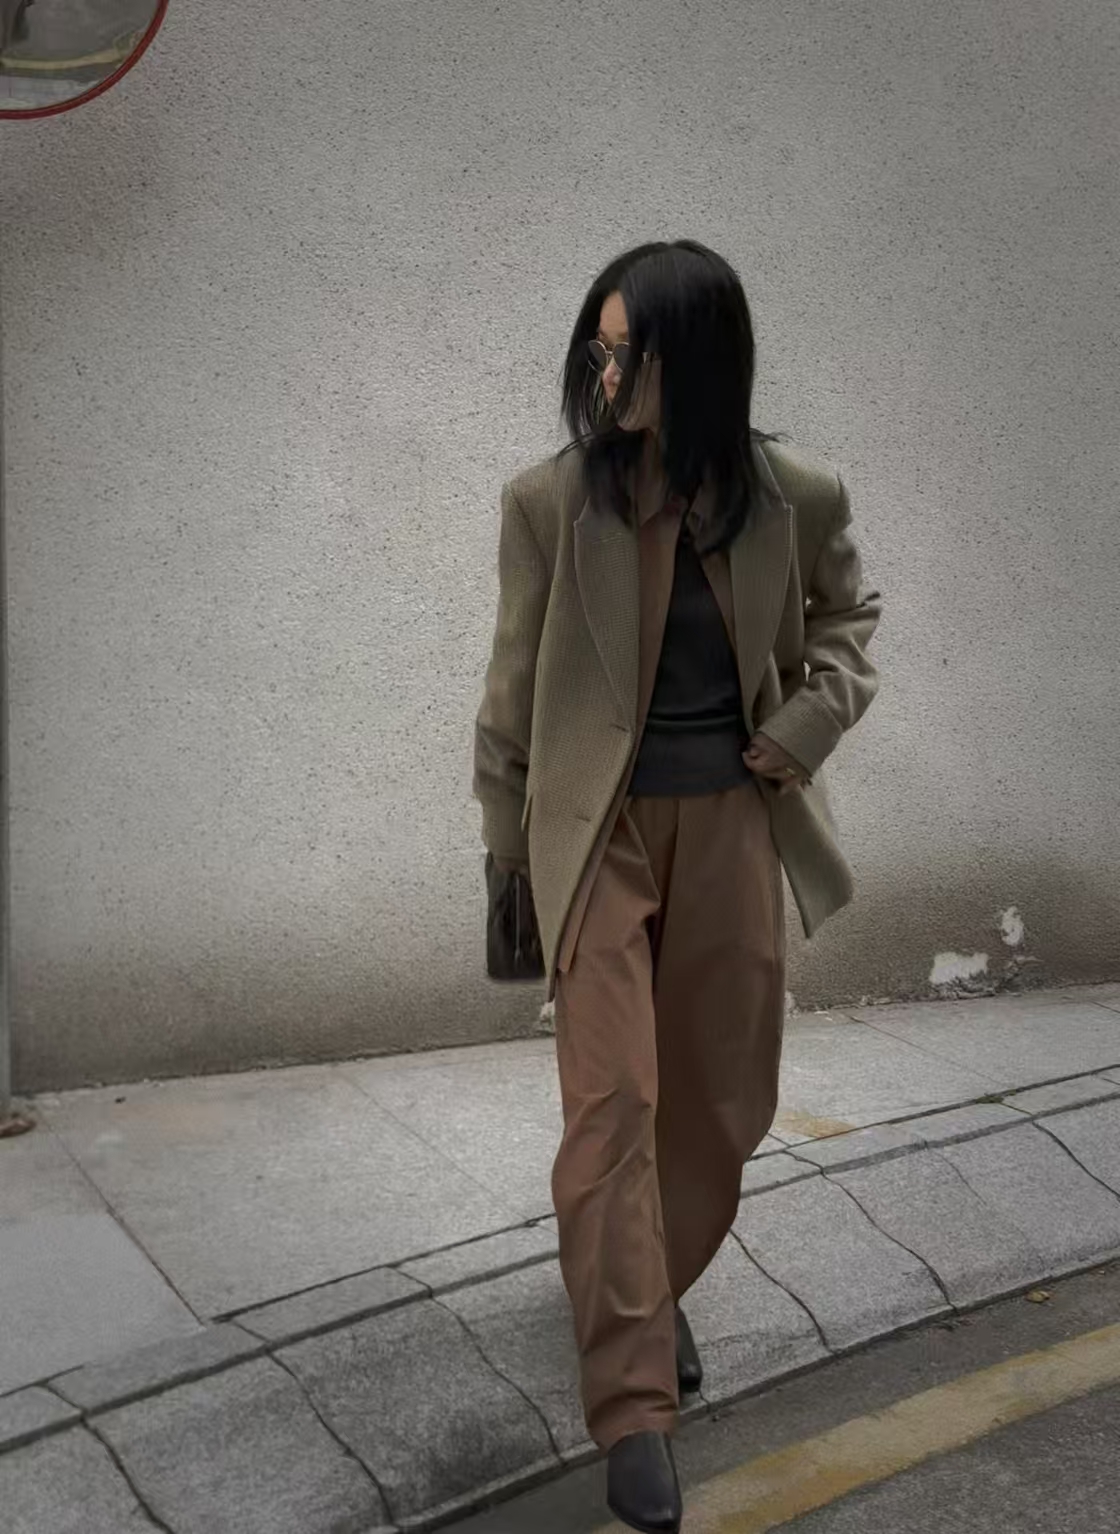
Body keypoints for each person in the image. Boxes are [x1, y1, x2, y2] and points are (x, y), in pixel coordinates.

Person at [473, 239, 882, 1534]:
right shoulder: (551, 505)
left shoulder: (794, 494)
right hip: (594, 839)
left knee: (718, 1101)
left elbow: (848, 626)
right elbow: (510, 695)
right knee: (613, 1104)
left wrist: (801, 728)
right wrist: (505, 858)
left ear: (695, 361)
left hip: (732, 827)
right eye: (595, 351)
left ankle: (647, 1288)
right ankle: (634, 1402)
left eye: (628, 353)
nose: (605, 376)